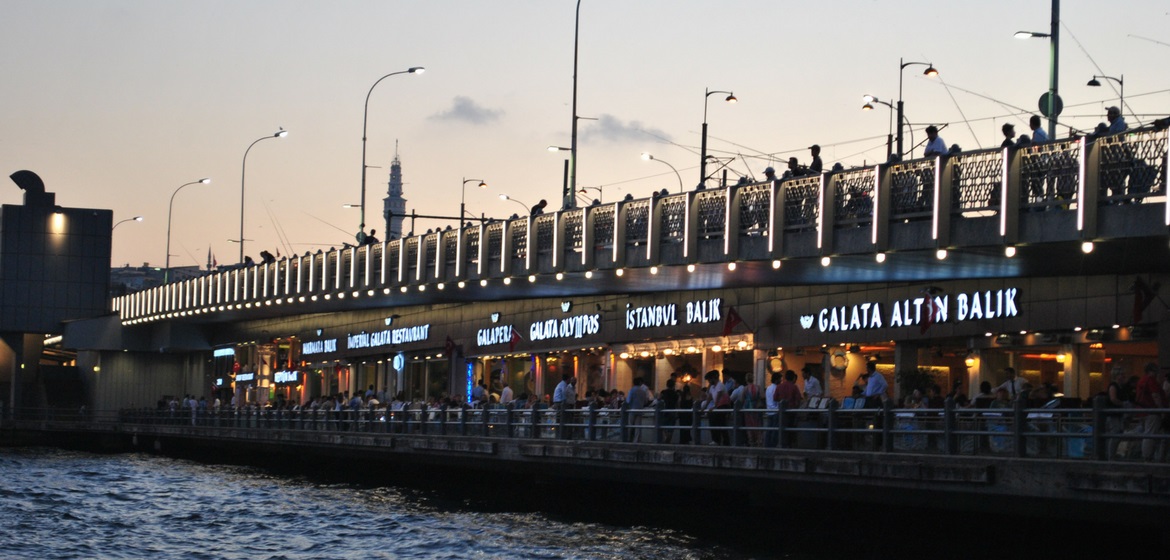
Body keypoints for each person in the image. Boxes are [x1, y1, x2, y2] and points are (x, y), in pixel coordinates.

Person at [1135, 362, 1165, 461]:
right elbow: (1155, 395)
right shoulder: (1151, 380)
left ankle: (1147, 456)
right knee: (1150, 434)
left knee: (1148, 433)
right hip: (1151, 411)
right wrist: (1161, 410)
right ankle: (1147, 457)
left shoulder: (1142, 380)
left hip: (1142, 410)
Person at [704, 370, 730, 445]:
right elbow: (709, 397)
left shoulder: (720, 385)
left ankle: (721, 440)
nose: (709, 382)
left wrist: (714, 407)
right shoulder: (712, 387)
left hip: (723, 406)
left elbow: (718, 397)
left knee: (720, 422)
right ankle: (717, 440)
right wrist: (704, 407)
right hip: (718, 406)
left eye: (709, 380)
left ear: (713, 378)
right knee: (718, 422)